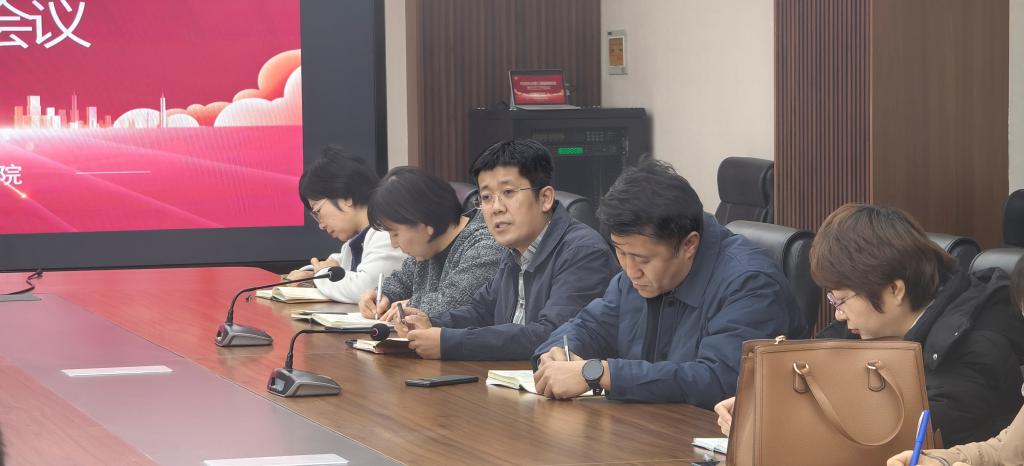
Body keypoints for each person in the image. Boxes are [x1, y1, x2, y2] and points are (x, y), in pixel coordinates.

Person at [715, 204, 1024, 447]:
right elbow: (816, 367)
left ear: (895, 289)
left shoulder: (977, 340)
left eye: (841, 300)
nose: (838, 315)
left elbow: (899, 433)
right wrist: (763, 399)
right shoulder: (870, 322)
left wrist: (776, 420)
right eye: (832, 300)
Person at [531, 159, 806, 407]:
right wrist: (557, 354)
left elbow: (719, 379)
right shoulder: (635, 275)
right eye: (620, 252)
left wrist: (599, 373)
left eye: (642, 259)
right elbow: (589, 326)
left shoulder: (751, 284)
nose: (629, 270)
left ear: (689, 244)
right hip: (651, 428)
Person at [387, 139, 617, 360]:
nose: (496, 208)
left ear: (545, 198)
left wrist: (448, 342)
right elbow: (480, 311)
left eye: (508, 192)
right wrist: (431, 323)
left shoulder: (583, 252)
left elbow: (552, 335)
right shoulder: (514, 250)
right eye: (486, 197)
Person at [886, 257, 1024, 466]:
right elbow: (1007, 449)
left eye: (842, 300)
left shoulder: (975, 346)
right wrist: (939, 461)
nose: (840, 315)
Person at [358, 166, 504, 319]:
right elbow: (401, 281)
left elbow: (455, 304)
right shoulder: (427, 249)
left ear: (425, 223)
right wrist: (383, 296)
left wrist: (408, 307)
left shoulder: (485, 246)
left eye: (395, 233)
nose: (393, 243)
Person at [284, 146, 405, 302]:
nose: (321, 225)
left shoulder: (386, 233)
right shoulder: (355, 242)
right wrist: (309, 275)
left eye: (318, 211)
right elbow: (336, 263)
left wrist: (321, 274)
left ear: (346, 197)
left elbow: (363, 288)